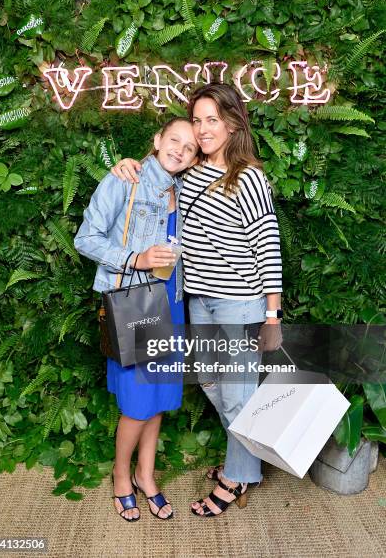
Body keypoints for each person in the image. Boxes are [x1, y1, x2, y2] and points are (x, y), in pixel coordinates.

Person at [112, 82, 283, 518]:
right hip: (198, 300)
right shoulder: (190, 171)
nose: (204, 130)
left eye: (213, 120)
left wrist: (271, 314)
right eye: (198, 120)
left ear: (232, 123)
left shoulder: (248, 177)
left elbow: (267, 246)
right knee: (212, 384)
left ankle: (236, 477)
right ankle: (245, 459)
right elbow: (156, 179)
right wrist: (127, 166)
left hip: (239, 304)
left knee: (239, 394)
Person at [74, 118, 199, 522]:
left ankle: (146, 475)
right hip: (136, 305)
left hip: (173, 304)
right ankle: (121, 475)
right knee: (136, 404)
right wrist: (136, 259)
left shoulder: (183, 187)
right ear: (157, 138)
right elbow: (86, 238)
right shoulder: (126, 179)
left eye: (191, 147)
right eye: (174, 140)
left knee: (159, 399)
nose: (180, 150)